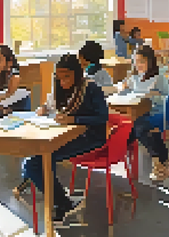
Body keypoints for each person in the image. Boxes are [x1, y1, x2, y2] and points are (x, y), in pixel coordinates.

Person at [21, 54, 109, 222]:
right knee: (34, 162)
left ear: (77, 73)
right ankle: (63, 202)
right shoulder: (60, 87)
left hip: (91, 138)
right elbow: (53, 105)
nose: (63, 82)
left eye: (67, 77)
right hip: (64, 135)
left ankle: (63, 203)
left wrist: (74, 119)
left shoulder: (90, 88)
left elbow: (102, 117)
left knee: (34, 163)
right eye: (59, 78)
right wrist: (45, 109)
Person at [119, 45, 169, 182]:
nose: (138, 65)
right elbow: (125, 91)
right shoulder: (133, 78)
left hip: (156, 112)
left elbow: (167, 97)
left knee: (139, 127)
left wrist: (152, 95)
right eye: (136, 61)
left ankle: (159, 165)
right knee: (135, 128)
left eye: (142, 61)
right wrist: (124, 87)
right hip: (138, 112)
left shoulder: (159, 77)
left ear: (150, 61)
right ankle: (164, 158)